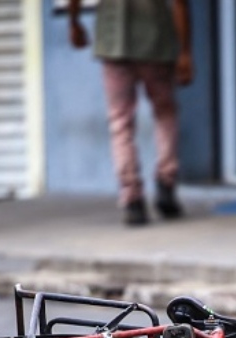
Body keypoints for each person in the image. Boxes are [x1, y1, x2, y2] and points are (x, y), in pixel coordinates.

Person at [67, 0, 193, 227]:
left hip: (114, 42)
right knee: (165, 113)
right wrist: (185, 51)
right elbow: (180, 4)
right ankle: (166, 183)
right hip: (156, 42)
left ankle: (132, 199)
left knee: (120, 122)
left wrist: (74, 21)